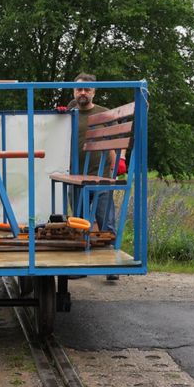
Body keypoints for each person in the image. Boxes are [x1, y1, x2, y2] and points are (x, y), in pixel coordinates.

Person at [70, 73, 120, 280]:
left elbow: (115, 143)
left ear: (93, 92)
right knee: (79, 224)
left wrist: (117, 167)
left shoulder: (104, 114)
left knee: (106, 222)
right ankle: (82, 268)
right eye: (79, 89)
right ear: (74, 91)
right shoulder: (69, 114)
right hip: (75, 178)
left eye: (87, 89)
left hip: (100, 178)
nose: (83, 93)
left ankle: (111, 267)